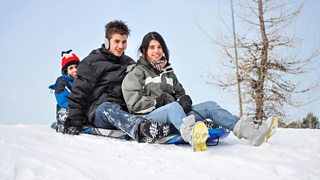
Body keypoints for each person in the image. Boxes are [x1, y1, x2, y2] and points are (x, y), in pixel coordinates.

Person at [122, 31, 278, 151]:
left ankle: (252, 133)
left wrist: (184, 100)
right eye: (152, 47)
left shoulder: (168, 72)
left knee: (209, 106)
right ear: (144, 51)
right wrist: (156, 103)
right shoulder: (137, 72)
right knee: (173, 107)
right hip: (150, 119)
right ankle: (193, 136)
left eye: (159, 47)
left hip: (175, 116)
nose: (156, 51)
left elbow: (180, 93)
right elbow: (133, 104)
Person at [64, 21, 169, 142]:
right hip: (100, 111)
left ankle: (165, 126)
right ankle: (142, 128)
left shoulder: (129, 63)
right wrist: (74, 120)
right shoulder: (92, 62)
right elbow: (78, 92)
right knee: (107, 108)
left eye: (124, 42)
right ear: (107, 41)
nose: (121, 46)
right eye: (117, 41)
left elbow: (142, 84)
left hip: (127, 110)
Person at [49, 50, 80, 133]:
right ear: (66, 71)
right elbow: (62, 101)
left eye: (76, 67)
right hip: (68, 108)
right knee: (70, 109)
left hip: (81, 109)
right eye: (71, 68)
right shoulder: (62, 83)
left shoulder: (82, 81)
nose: (75, 70)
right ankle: (63, 122)